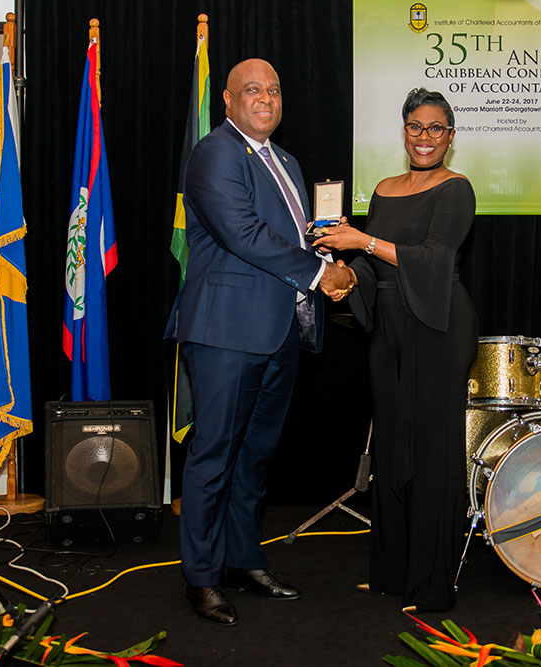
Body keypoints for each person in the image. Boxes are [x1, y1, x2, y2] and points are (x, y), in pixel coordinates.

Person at [167, 58, 353, 626]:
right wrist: (321, 274)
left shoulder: (287, 162)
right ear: (227, 99)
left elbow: (290, 237)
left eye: (273, 89)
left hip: (279, 332)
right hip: (226, 331)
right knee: (215, 454)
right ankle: (202, 577)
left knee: (254, 456)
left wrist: (326, 250)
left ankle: (243, 560)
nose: (265, 98)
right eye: (253, 90)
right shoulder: (216, 152)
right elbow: (243, 234)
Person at [315, 87, 478, 612]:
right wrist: (345, 278)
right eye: (415, 126)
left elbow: (433, 259)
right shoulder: (385, 189)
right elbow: (374, 266)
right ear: (404, 131)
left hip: (437, 325)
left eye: (435, 128)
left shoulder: (457, 189)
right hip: (387, 327)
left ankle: (431, 586)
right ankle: (390, 574)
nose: (424, 137)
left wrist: (360, 241)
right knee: (389, 446)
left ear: (450, 136)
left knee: (432, 453)